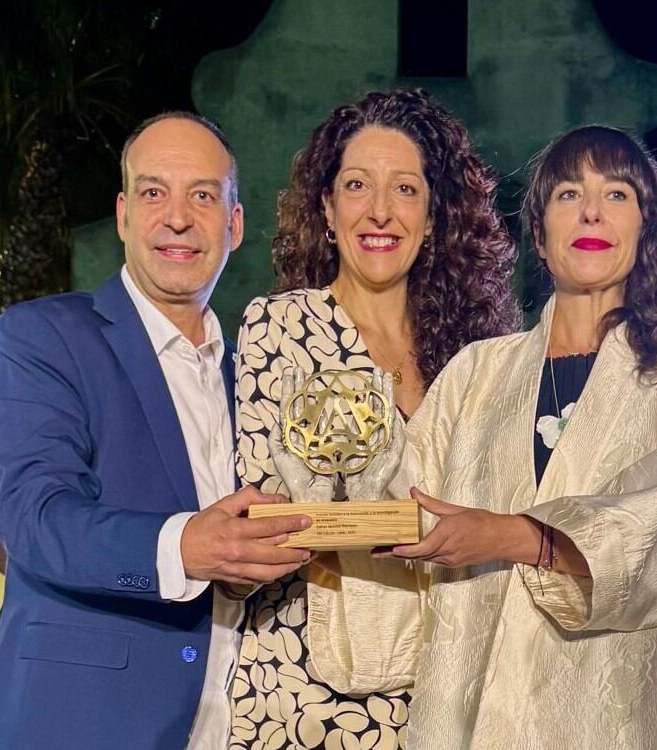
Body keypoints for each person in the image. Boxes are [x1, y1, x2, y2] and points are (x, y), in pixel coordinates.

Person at [302, 125, 657, 749]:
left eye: (616, 195)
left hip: (628, 715)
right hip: (480, 714)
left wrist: (512, 536)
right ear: (538, 232)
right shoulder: (477, 373)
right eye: (567, 194)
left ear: (647, 230)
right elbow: (404, 506)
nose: (590, 210)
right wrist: (323, 530)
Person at [0, 112, 312, 749]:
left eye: (203, 195)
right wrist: (186, 547)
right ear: (124, 216)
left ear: (233, 226)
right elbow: (35, 518)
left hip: (231, 726)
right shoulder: (45, 336)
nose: (177, 217)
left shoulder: (259, 375)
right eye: (154, 192)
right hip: (79, 726)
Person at [229, 89, 518, 749]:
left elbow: (510, 510)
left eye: (406, 189)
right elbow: (266, 510)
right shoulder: (282, 326)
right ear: (326, 209)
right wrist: (422, 524)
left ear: (435, 214)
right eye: (356, 185)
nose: (380, 211)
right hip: (308, 699)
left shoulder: (476, 353)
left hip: (449, 692)